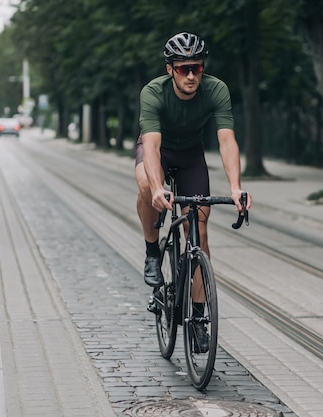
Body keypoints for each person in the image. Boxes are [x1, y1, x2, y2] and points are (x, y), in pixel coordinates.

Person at [135, 32, 251, 352]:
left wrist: (236, 188)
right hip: (157, 150)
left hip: (190, 156)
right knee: (146, 185)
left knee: (199, 228)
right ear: (170, 69)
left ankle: (199, 318)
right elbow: (152, 146)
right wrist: (158, 188)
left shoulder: (216, 89)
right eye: (184, 68)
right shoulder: (153, 92)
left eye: (196, 68)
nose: (190, 75)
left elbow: (226, 140)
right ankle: (151, 251)